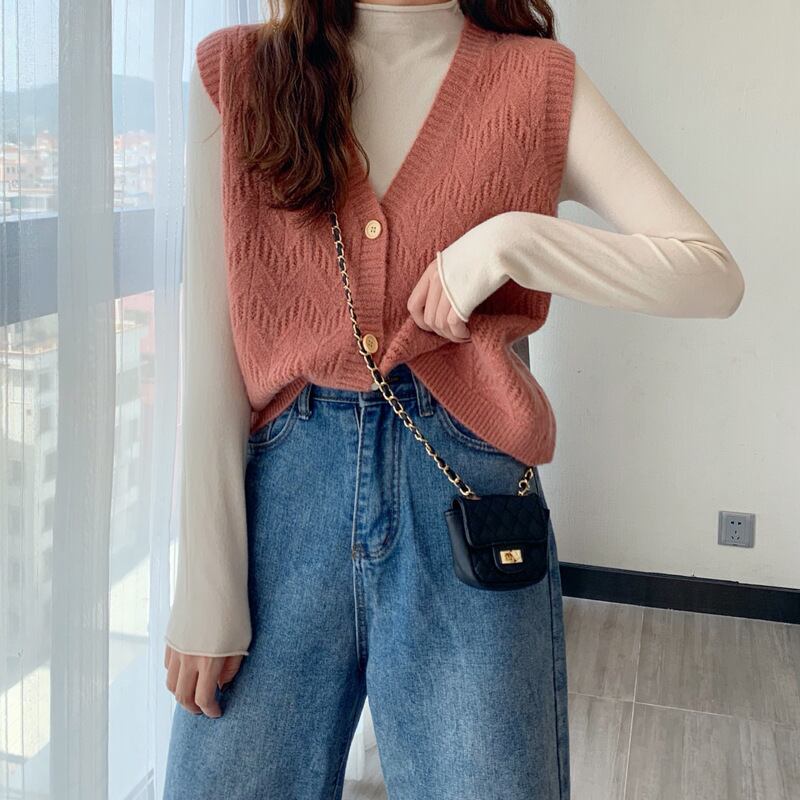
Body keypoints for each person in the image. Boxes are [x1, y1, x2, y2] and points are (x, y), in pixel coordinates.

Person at [162, 1, 744, 798]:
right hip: (280, 509)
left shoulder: (535, 81)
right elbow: (213, 347)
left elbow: (711, 274)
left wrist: (512, 242)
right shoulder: (236, 73)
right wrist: (205, 585)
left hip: (467, 493)